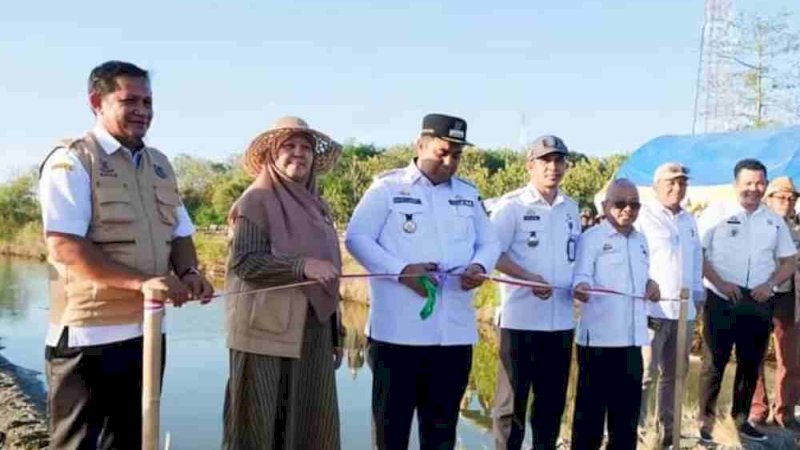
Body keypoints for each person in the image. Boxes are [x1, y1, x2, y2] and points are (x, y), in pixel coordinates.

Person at [39, 60, 213, 449]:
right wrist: (142, 283)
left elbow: (180, 232)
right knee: (77, 444)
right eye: (129, 100)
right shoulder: (72, 160)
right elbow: (64, 245)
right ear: (96, 102)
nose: (143, 111)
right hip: (88, 335)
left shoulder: (160, 165)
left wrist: (188, 273)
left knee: (130, 441)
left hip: (147, 332)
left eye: (148, 101)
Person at [345, 113, 501, 450]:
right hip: (398, 336)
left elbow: (490, 242)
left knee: (441, 435)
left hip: (453, 337)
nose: (449, 162)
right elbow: (357, 238)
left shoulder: (468, 195)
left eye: (457, 155)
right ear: (420, 145)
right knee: (391, 435)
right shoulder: (387, 188)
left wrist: (478, 265)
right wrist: (401, 270)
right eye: (442, 152)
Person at [222, 116, 344, 450]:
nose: (298, 154)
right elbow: (246, 262)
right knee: (258, 426)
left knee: (310, 425)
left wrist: (337, 332)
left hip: (313, 332)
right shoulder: (255, 201)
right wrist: (301, 266)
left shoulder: (319, 207)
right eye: (288, 146)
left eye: (305, 148)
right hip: (265, 333)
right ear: (270, 157)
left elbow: (330, 272)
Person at [697, 159, 797, 442]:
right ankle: (706, 422)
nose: (753, 189)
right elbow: (699, 254)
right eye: (748, 184)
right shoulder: (715, 213)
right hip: (722, 296)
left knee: (750, 363)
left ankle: (741, 421)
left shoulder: (772, 220)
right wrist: (719, 282)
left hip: (759, 298)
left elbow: (789, 261)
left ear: (765, 185)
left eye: (759, 183)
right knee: (713, 363)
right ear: (735, 185)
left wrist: (771, 284)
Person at [490, 135, 580, 450]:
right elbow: (492, 254)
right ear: (531, 165)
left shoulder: (571, 208)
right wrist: (528, 278)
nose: (553, 167)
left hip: (561, 322)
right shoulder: (512, 206)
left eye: (559, 161)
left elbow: (575, 257)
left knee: (551, 405)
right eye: (545, 161)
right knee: (511, 405)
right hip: (521, 321)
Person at [570, 178, 660, 450]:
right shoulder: (591, 239)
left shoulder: (641, 240)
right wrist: (582, 287)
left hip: (632, 342)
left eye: (634, 205)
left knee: (625, 422)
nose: (627, 210)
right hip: (598, 343)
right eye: (620, 204)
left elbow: (642, 278)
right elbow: (580, 276)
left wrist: (651, 284)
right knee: (590, 422)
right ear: (606, 205)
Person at [635, 163, 704, 448]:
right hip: (651, 310)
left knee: (677, 374)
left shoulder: (689, 220)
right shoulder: (643, 217)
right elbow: (634, 259)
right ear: (656, 186)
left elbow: (697, 258)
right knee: (645, 374)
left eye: (682, 183)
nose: (677, 188)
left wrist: (699, 295)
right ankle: (635, 433)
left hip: (684, 310)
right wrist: (644, 283)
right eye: (671, 182)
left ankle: (668, 433)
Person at [749, 177, 800, 431]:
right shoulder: (758, 225)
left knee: (789, 357)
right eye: (782, 197)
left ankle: (785, 411)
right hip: (760, 295)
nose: (788, 202)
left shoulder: (796, 230)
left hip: (789, 297)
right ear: (769, 199)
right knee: (754, 353)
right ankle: (758, 409)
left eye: (792, 198)